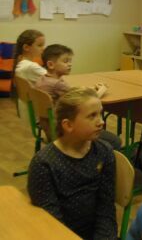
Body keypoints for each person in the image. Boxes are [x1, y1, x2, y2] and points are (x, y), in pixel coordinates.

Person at [28, 88, 117, 240]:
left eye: (100, 114)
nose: (101, 122)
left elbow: (106, 208)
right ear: (68, 125)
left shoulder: (104, 152)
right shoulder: (44, 164)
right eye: (92, 116)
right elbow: (51, 222)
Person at [35, 44, 121, 150]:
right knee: (115, 141)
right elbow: (85, 101)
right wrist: (102, 89)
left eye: (70, 61)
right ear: (51, 64)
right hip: (63, 130)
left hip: (48, 126)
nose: (70, 64)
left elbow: (74, 92)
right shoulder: (57, 84)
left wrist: (89, 89)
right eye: (65, 61)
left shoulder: (42, 79)